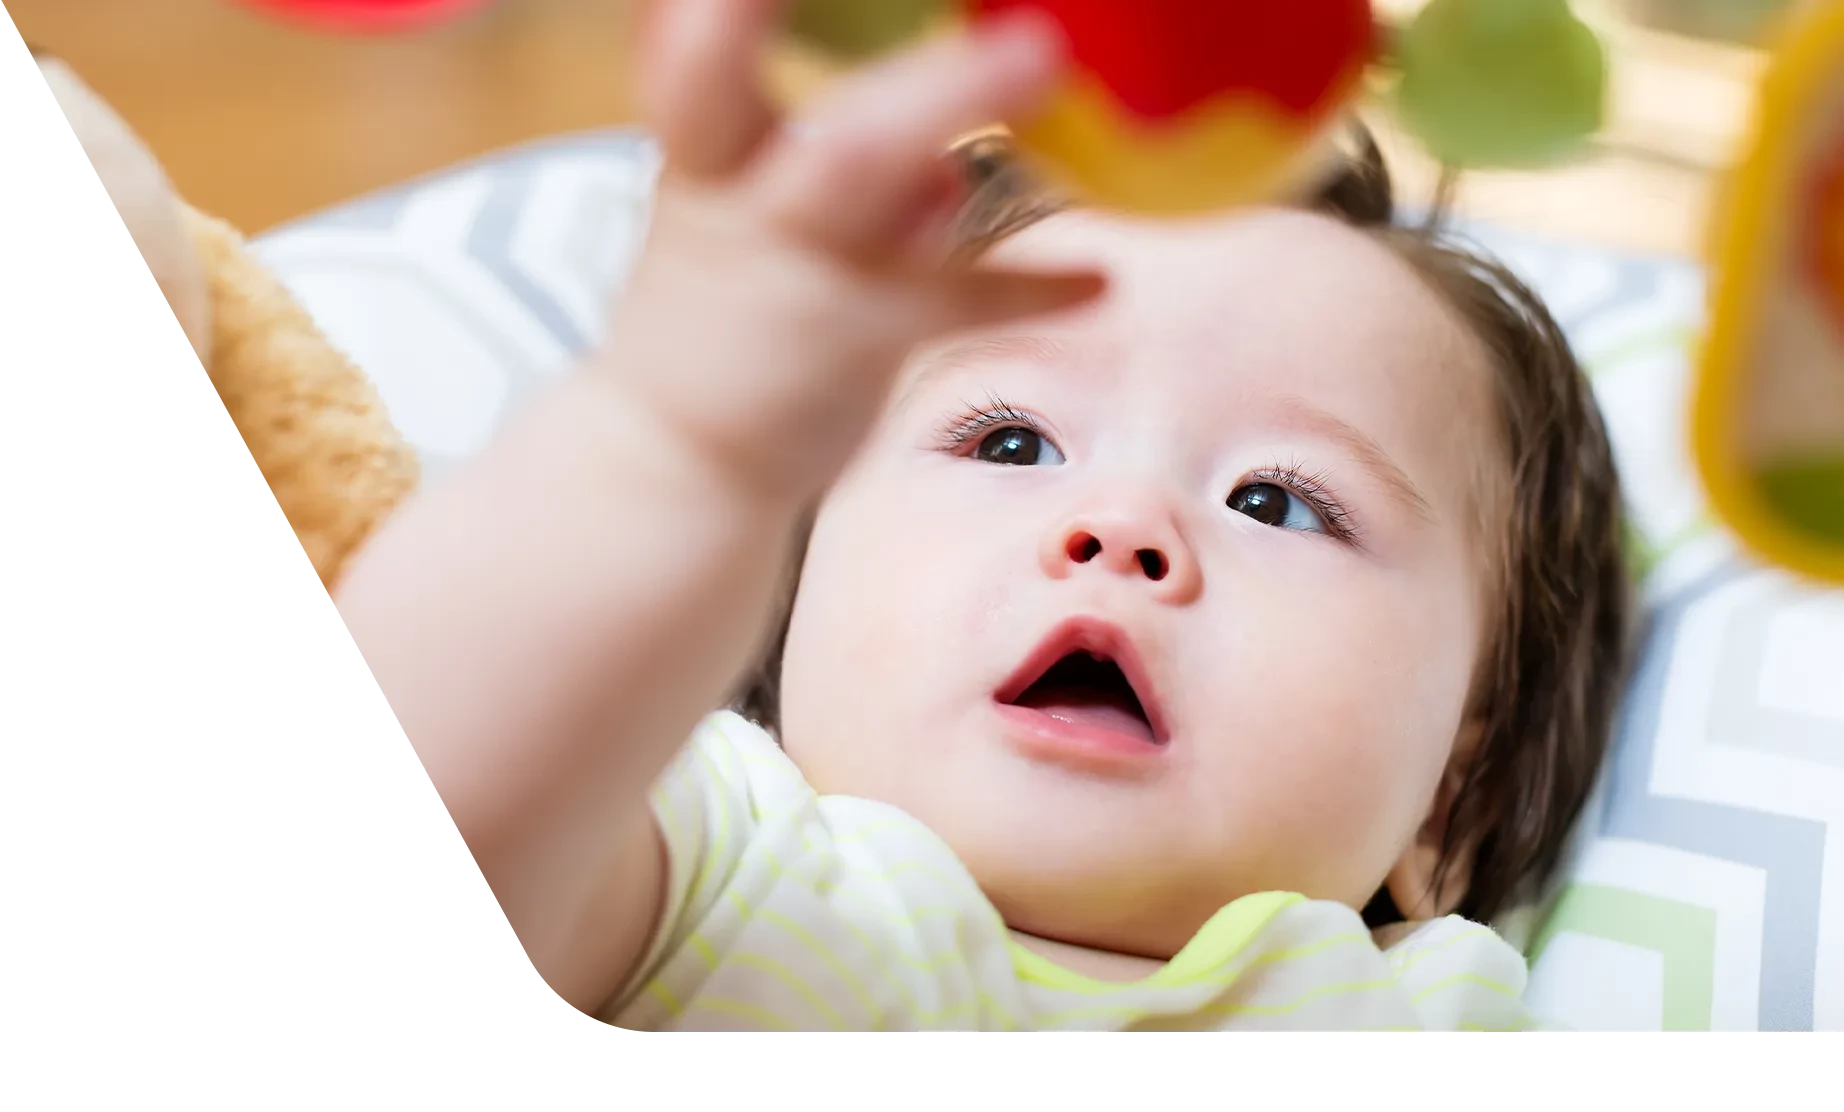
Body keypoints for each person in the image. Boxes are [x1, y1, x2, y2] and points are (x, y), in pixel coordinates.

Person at [336, 0, 1633, 1030]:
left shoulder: (1429, 1004)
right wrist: (677, 440)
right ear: (781, 615)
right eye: (1009, 441)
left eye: (1276, 501)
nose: (1120, 528)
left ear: (1455, 796)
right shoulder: (735, 873)